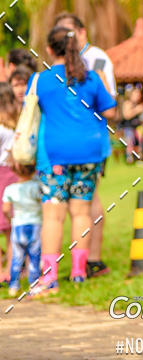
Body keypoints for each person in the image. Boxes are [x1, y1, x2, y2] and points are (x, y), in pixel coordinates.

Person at [30, 26, 116, 295]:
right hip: (89, 152)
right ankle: (78, 273)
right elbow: (111, 110)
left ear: (48, 50)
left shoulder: (40, 80)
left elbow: (30, 110)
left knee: (53, 216)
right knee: (81, 212)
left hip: (55, 154)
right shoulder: (90, 77)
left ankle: (50, 277)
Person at [54, 13, 116, 278]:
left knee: (89, 200)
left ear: (82, 32)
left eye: (69, 33)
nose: (67, 39)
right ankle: (80, 261)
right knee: (73, 203)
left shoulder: (97, 59)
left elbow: (109, 101)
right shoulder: (60, 62)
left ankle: (92, 259)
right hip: (66, 144)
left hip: (91, 142)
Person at [2, 162, 42, 297]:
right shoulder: (37, 187)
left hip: (18, 226)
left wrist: (10, 219)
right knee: (34, 256)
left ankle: (13, 285)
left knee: (16, 257)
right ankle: (34, 285)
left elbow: (6, 209)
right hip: (35, 225)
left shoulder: (10, 189)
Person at [0, 84, 19, 285]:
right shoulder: (15, 125)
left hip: (2, 176)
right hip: (14, 175)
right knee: (10, 229)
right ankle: (10, 268)